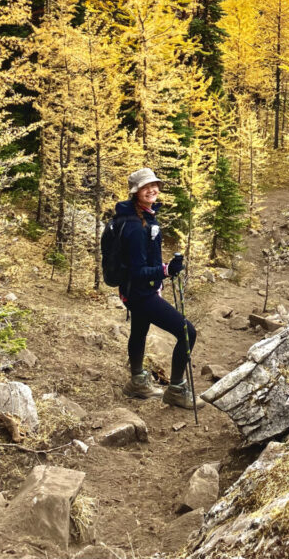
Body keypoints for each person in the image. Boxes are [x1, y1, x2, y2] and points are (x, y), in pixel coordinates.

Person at [116, 167, 204, 410]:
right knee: (187, 332)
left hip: (135, 291)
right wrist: (165, 271)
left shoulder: (144, 215)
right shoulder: (135, 225)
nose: (152, 189)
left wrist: (162, 272)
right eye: (146, 187)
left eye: (154, 185)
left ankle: (137, 382)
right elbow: (137, 270)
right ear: (136, 192)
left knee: (139, 330)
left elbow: (144, 261)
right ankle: (176, 389)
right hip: (140, 292)